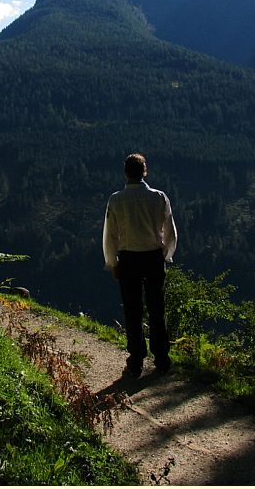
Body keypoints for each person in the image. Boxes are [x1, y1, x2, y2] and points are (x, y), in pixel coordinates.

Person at [102, 153, 177, 378]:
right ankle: (162, 359)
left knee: (133, 311)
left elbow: (110, 235)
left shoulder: (116, 200)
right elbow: (170, 230)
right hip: (153, 257)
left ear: (126, 173)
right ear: (145, 171)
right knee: (157, 308)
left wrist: (112, 262)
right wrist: (165, 254)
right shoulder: (159, 197)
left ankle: (136, 362)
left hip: (129, 259)